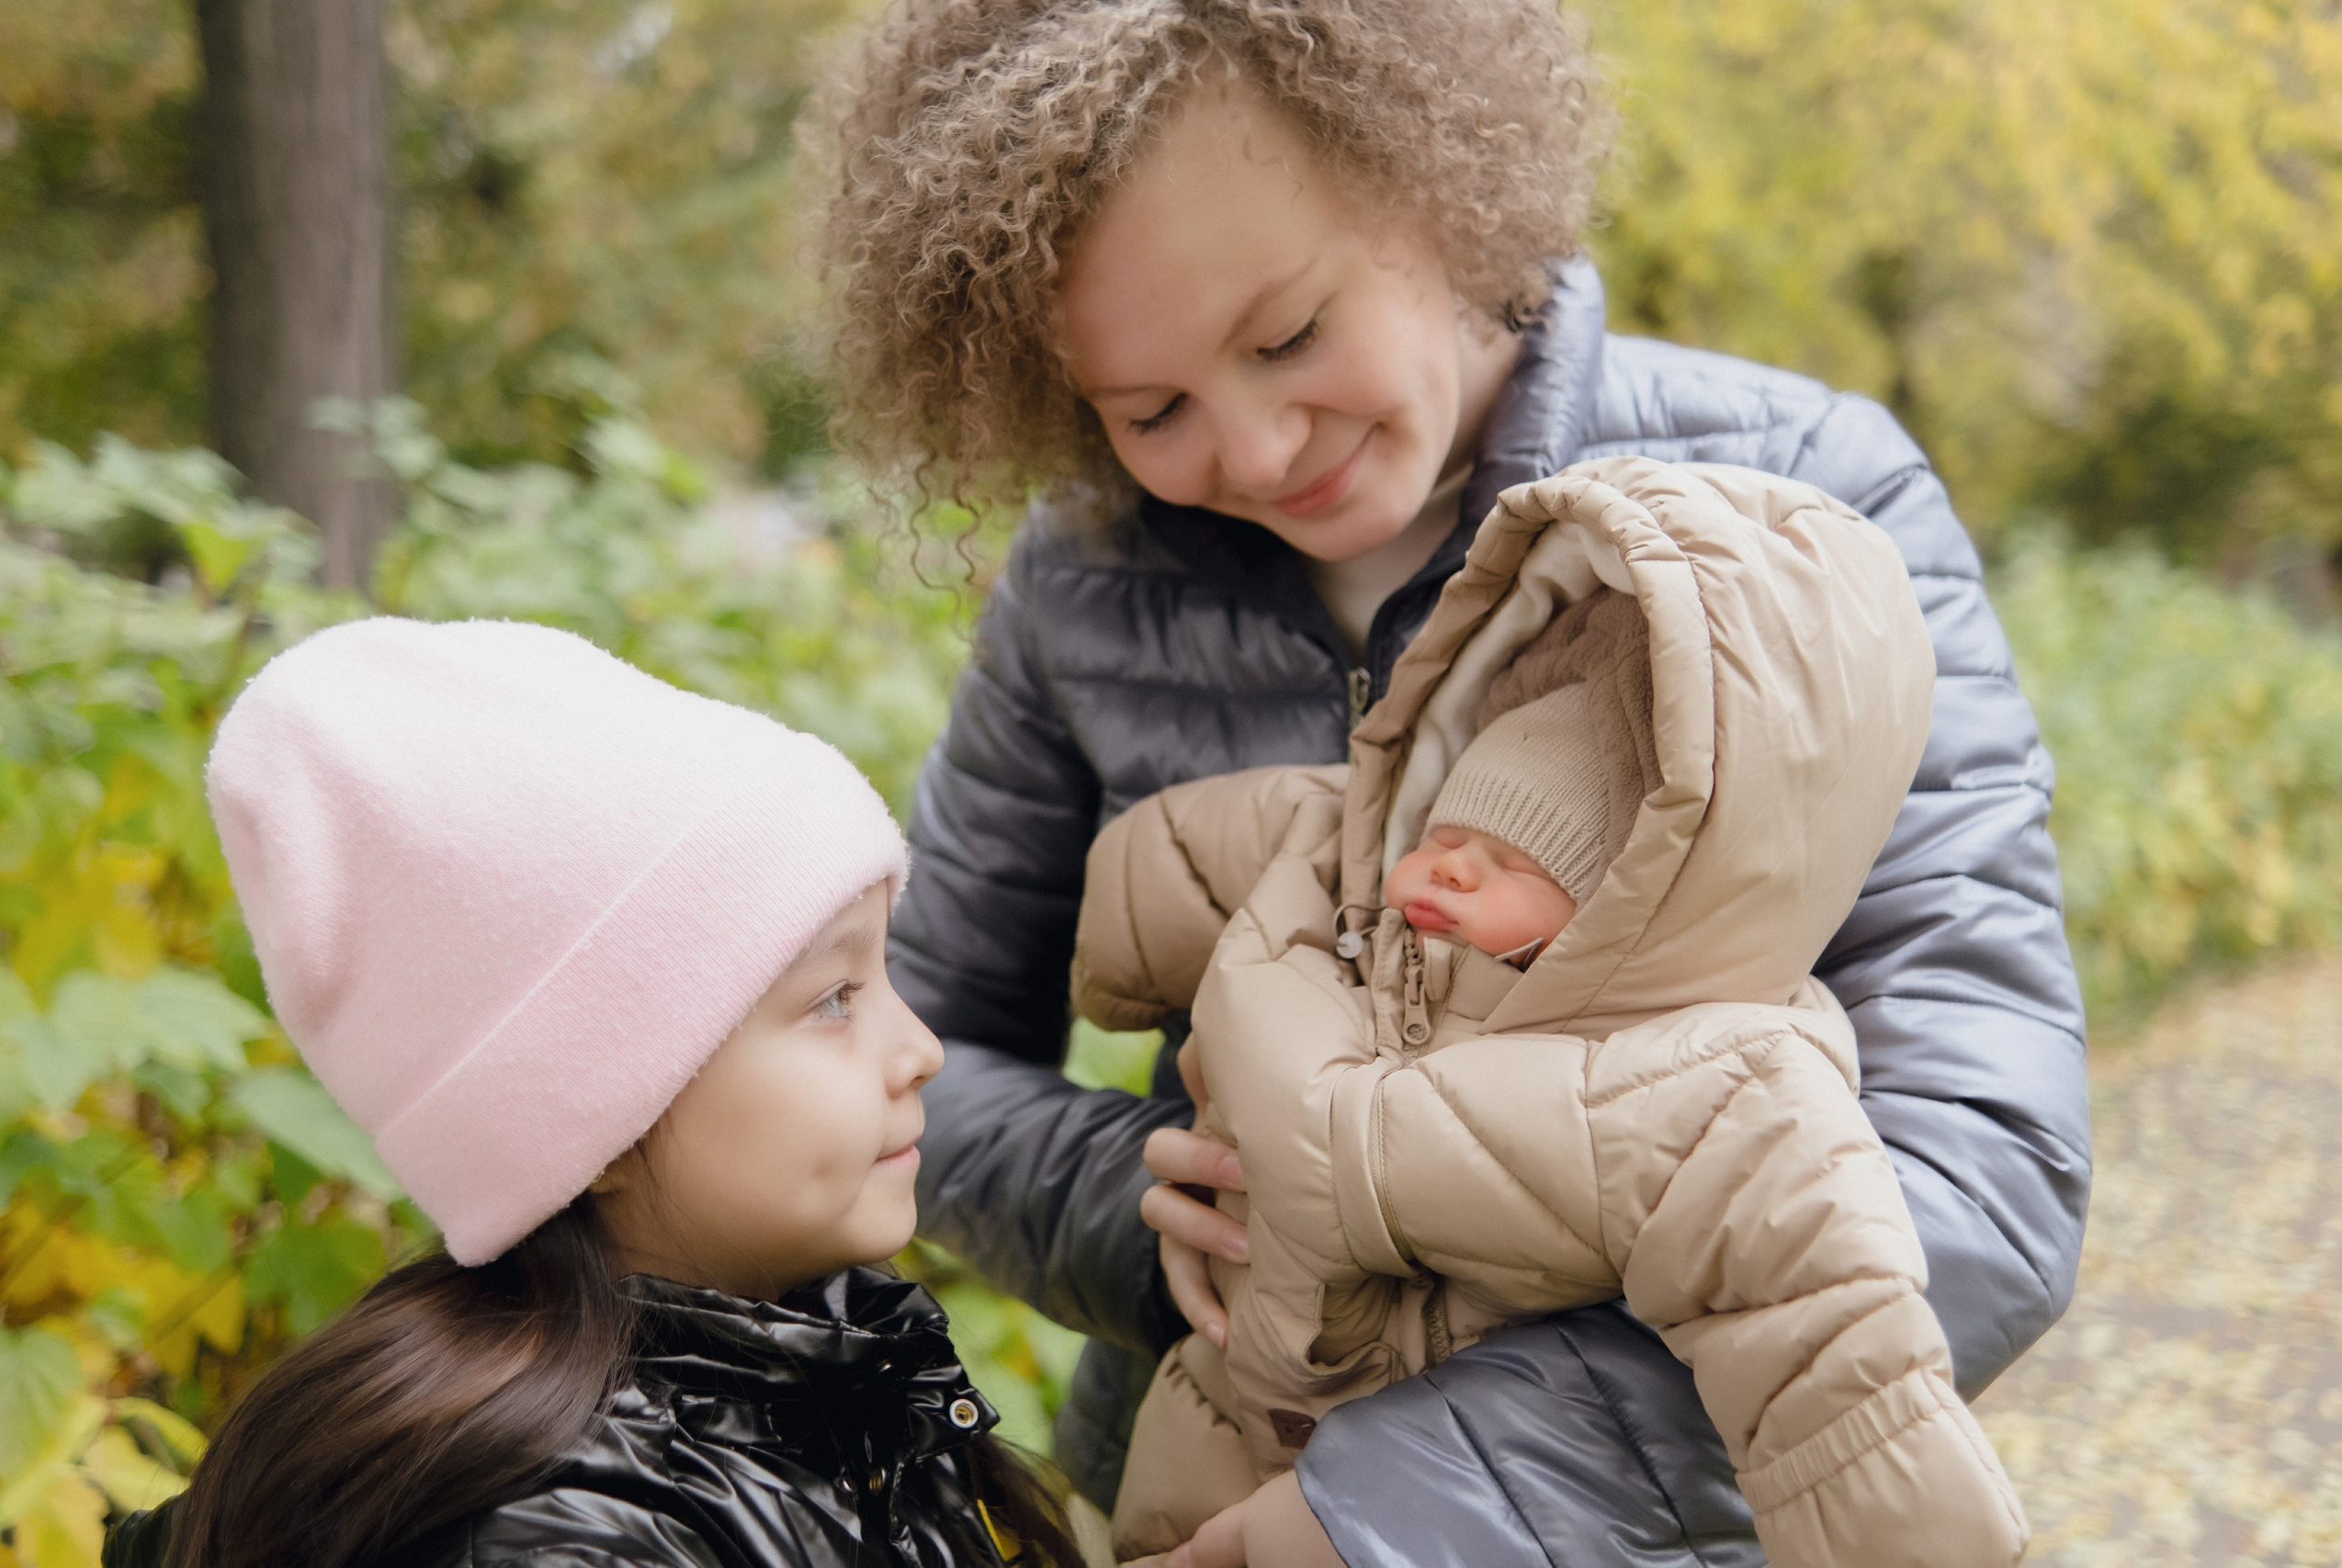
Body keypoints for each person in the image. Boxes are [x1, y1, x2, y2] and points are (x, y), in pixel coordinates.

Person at [812, 2, 2089, 1562]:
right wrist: (1144, 1207)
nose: (1264, 444)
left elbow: (1985, 1154)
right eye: (1150, 412)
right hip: (1190, 1490)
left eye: (1288, 335)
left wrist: (1407, 1502)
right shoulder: (1081, 582)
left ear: (1426, 178)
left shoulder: (1809, 503)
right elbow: (925, 1052)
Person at [1075, 459, 2027, 1568]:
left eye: (1512, 861)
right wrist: (1110, 950)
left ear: (1638, 899)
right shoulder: (1335, 882)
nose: (1448, 873)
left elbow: (1828, 1347)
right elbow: (1179, 853)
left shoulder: (1711, 1088)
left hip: (1452, 1518)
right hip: (1208, 1431)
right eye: (1442, 838)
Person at [101, 618, 1091, 1568]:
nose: (919, 1049)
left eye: (885, 974)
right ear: (595, 1127)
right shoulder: (559, 1540)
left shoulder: (837, 1379)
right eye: (835, 999)